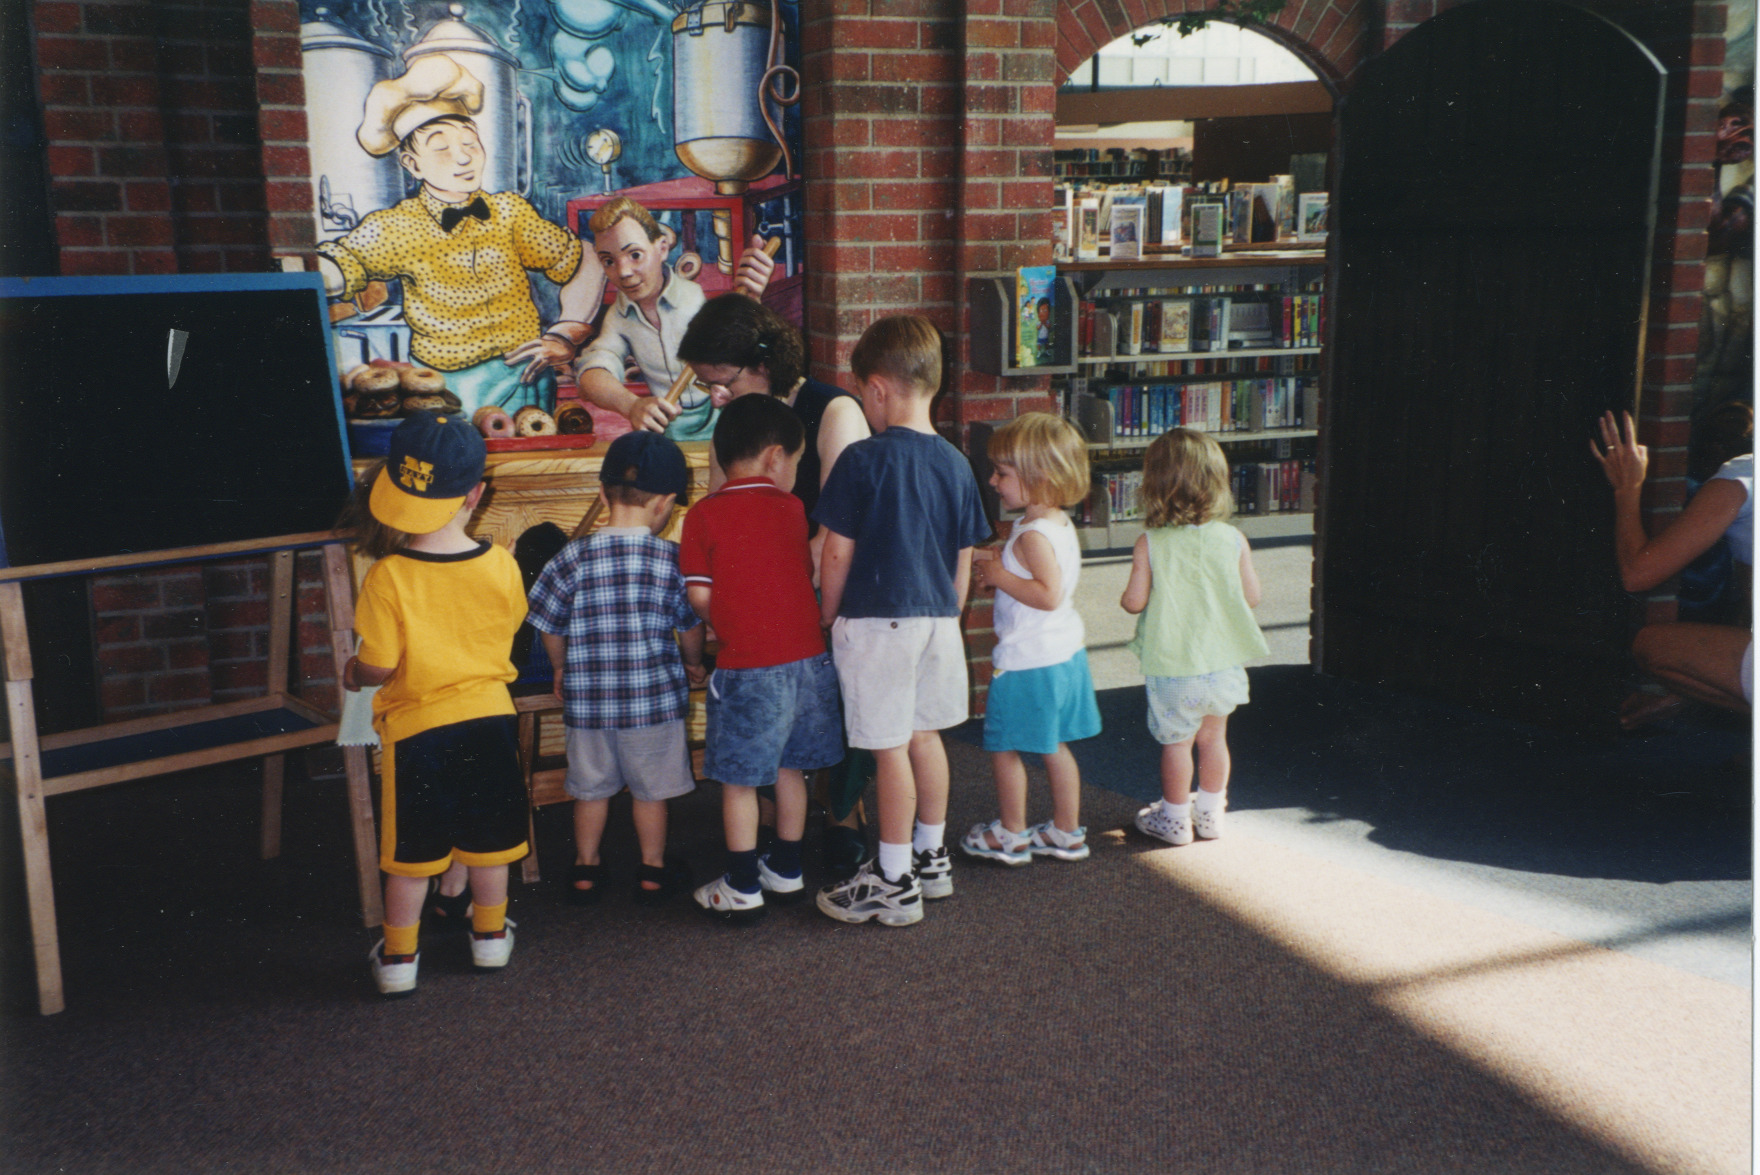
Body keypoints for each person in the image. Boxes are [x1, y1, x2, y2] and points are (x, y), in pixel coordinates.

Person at [675, 292, 874, 874]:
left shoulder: (834, 411)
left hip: (833, 581)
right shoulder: (733, 424)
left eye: (724, 382)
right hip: (777, 594)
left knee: (828, 704)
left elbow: (840, 528)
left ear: (762, 364)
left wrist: (782, 593)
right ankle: (772, 822)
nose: (716, 397)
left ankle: (842, 813)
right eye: (707, 384)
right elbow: (719, 515)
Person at [338, 411, 530, 997]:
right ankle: (490, 937)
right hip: (491, 721)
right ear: (476, 494)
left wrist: (353, 672)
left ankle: (399, 958)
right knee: (490, 846)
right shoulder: (502, 563)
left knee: (411, 856)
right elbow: (508, 628)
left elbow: (378, 667)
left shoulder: (387, 577)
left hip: (419, 732)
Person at [812, 315, 991, 926]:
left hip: (876, 623)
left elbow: (836, 553)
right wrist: (949, 615)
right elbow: (964, 558)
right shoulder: (957, 463)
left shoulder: (861, 460)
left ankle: (893, 879)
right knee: (924, 738)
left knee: (888, 750)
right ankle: (930, 857)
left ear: (878, 389)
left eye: (864, 394)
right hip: (939, 621)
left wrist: (827, 612)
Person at [316, 55, 605, 416]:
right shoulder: (396, 226)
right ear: (412, 164)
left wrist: (565, 333)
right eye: (442, 148)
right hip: (446, 391)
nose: (464, 158)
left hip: (525, 380)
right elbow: (339, 265)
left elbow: (586, 259)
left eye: (470, 143)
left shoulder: (509, 212)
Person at [525, 431, 707, 906]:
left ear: (603, 494)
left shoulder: (570, 557)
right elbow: (690, 624)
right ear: (665, 504)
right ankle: (652, 870)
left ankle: (585, 868)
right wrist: (693, 663)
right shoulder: (671, 560)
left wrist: (560, 668)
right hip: (653, 705)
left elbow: (549, 623)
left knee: (590, 790)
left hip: (589, 706)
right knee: (651, 793)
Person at [680, 395, 845, 919]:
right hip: (808, 663)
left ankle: (742, 883)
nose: (794, 471)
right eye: (796, 460)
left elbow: (699, 595)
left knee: (740, 780)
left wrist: (725, 616)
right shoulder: (792, 509)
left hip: (749, 666)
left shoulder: (703, 515)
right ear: (775, 457)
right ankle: (787, 869)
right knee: (791, 770)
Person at [961, 413, 1103, 867]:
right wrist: (994, 565)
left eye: (1002, 473)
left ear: (1039, 477)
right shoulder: (1054, 523)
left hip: (1027, 661)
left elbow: (1047, 594)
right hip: (1061, 654)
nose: (993, 481)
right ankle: (1066, 831)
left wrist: (999, 576)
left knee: (1004, 748)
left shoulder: (1031, 537)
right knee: (1054, 745)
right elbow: (1031, 573)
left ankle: (1011, 833)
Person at [1120, 428, 1268, 847]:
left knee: (1177, 744)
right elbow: (1252, 597)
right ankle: (1211, 813)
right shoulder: (1233, 538)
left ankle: (1174, 819)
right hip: (1221, 665)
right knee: (1214, 738)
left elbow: (1134, 602)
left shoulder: (1150, 543)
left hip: (1174, 667)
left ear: (1154, 486)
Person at [1590, 409, 1752, 719]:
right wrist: (1683, 698)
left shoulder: (1742, 475)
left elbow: (1637, 574)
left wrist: (1628, 487)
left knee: (1651, 645)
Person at [573, 197, 776, 442]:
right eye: (608, 261)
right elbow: (592, 372)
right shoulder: (618, 317)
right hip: (669, 432)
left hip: (726, 423)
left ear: (662, 248)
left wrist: (752, 305)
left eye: (635, 255)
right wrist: (631, 405)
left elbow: (752, 354)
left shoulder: (695, 298)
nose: (623, 272)